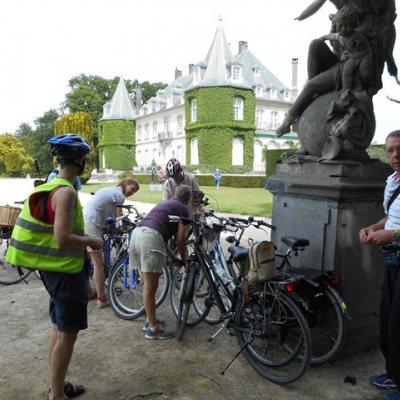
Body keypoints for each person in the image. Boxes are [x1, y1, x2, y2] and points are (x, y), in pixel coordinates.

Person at [6, 133, 103, 400]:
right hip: (66, 271)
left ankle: (57, 386)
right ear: (81, 160)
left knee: (58, 329)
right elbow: (63, 239)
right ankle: (57, 395)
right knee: (67, 334)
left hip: (51, 270)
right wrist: (91, 241)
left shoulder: (47, 188)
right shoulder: (67, 192)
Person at [359, 130, 400, 400]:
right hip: (393, 261)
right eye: (389, 151)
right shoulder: (392, 181)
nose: (395, 156)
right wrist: (373, 227)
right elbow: (391, 216)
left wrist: (393, 236)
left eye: (399, 149)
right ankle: (394, 373)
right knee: (388, 320)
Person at [129, 184, 191, 339]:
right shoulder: (183, 210)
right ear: (188, 199)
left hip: (137, 235)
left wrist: (172, 257)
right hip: (150, 238)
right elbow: (181, 240)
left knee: (147, 287)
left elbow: (159, 233)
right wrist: (184, 259)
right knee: (150, 287)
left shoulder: (165, 204)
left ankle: (150, 320)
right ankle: (153, 329)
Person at [83, 178, 139, 308]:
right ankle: (101, 299)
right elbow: (119, 217)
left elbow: (114, 216)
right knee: (98, 263)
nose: (133, 193)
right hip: (91, 223)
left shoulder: (112, 192)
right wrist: (128, 227)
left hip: (85, 220)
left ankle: (88, 291)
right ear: (125, 184)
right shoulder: (119, 196)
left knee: (87, 259)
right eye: (132, 189)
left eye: (135, 191)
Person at [321, 7, 373, 93]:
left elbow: (362, 42)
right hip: (352, 57)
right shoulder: (339, 36)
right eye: (340, 26)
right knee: (346, 70)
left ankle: (368, 86)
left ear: (353, 25)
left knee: (365, 73)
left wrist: (357, 42)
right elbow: (332, 36)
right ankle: (346, 89)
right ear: (336, 26)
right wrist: (324, 37)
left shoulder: (356, 36)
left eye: (347, 25)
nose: (344, 28)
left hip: (364, 56)